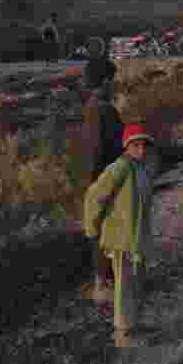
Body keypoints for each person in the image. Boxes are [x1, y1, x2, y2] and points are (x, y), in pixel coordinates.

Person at [83, 122, 155, 347]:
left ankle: (133, 324)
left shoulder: (141, 168)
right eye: (136, 145)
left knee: (136, 284)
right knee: (124, 285)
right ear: (126, 146)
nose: (141, 150)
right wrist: (91, 227)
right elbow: (94, 196)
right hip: (121, 238)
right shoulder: (120, 167)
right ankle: (122, 332)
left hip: (136, 239)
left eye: (144, 145)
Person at [79, 58, 124, 305]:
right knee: (106, 234)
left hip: (98, 179)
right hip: (105, 180)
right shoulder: (103, 109)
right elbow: (100, 151)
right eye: (113, 81)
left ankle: (105, 282)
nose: (115, 85)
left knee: (103, 233)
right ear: (106, 81)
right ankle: (105, 285)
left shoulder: (91, 106)